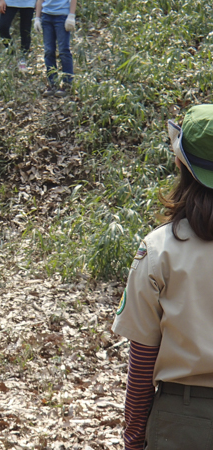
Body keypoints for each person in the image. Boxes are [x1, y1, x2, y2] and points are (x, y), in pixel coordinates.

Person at [112, 104, 213, 449]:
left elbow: (142, 363)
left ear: (181, 164)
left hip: (181, 422)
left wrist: (134, 438)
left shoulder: (160, 250)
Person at [33, 0, 77, 97]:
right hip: (46, 16)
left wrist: (71, 15)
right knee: (48, 51)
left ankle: (67, 84)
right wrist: (37, 18)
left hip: (62, 16)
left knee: (63, 51)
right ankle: (52, 83)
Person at [0, 0, 36, 72]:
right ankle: (12, 54)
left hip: (29, 3)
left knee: (25, 31)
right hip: (9, 2)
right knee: (2, 28)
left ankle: (23, 58)